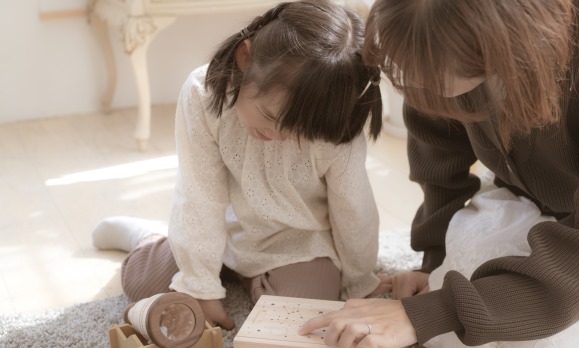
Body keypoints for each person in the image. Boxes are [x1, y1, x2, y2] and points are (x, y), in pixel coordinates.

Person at [300, 0, 579, 348]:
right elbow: (439, 148)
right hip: (526, 192)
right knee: (460, 340)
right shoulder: (427, 26)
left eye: (437, 78)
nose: (422, 89)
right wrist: (431, 259)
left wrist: (426, 313)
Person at [93, 0, 385, 330]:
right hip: (225, 230)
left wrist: (360, 280)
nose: (279, 135)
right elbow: (199, 195)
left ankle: (249, 278)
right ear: (245, 57)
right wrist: (199, 285)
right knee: (142, 283)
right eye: (272, 117)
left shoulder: (336, 126)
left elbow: (354, 210)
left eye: (299, 131)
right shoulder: (202, 94)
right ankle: (149, 238)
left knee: (300, 317)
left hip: (299, 245)